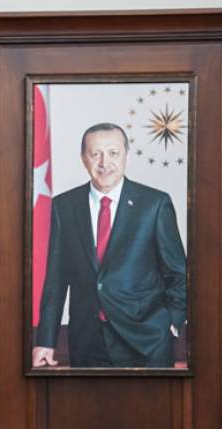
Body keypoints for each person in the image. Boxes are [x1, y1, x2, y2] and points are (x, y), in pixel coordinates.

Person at [32, 122, 187, 368]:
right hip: (87, 342)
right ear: (84, 159)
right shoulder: (64, 206)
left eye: (113, 153)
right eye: (96, 154)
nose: (105, 162)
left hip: (147, 340)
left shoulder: (154, 204)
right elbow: (56, 280)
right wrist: (46, 341)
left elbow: (178, 273)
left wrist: (172, 321)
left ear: (126, 155)